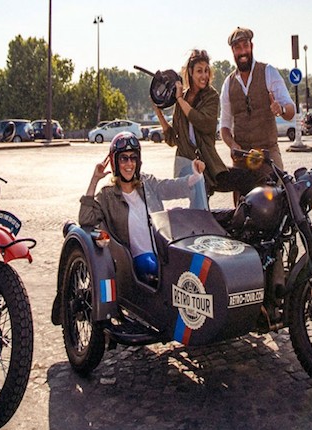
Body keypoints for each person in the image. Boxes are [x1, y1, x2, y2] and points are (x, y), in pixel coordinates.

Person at [79, 132, 205, 282]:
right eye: (123, 159)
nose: (129, 164)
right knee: (151, 264)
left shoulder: (147, 183)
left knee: (200, 263)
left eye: (133, 158)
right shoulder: (107, 195)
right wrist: (94, 180)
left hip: (163, 250)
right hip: (134, 263)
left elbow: (169, 187)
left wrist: (195, 176)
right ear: (115, 162)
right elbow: (85, 218)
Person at [219, 27, 297, 198]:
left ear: (251, 46)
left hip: (268, 153)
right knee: (242, 212)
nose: (242, 52)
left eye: (245, 46)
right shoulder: (228, 83)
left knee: (278, 200)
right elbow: (224, 127)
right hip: (242, 159)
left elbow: (291, 111)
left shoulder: (268, 72)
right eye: (237, 48)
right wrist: (232, 145)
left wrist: (281, 109)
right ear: (232, 51)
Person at [153, 49, 228, 197]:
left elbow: (204, 123)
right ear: (190, 73)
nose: (204, 76)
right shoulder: (182, 97)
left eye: (207, 71)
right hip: (186, 166)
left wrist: (180, 100)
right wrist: (159, 114)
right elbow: (173, 139)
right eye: (199, 71)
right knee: (197, 207)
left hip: (207, 164)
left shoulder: (211, 96)